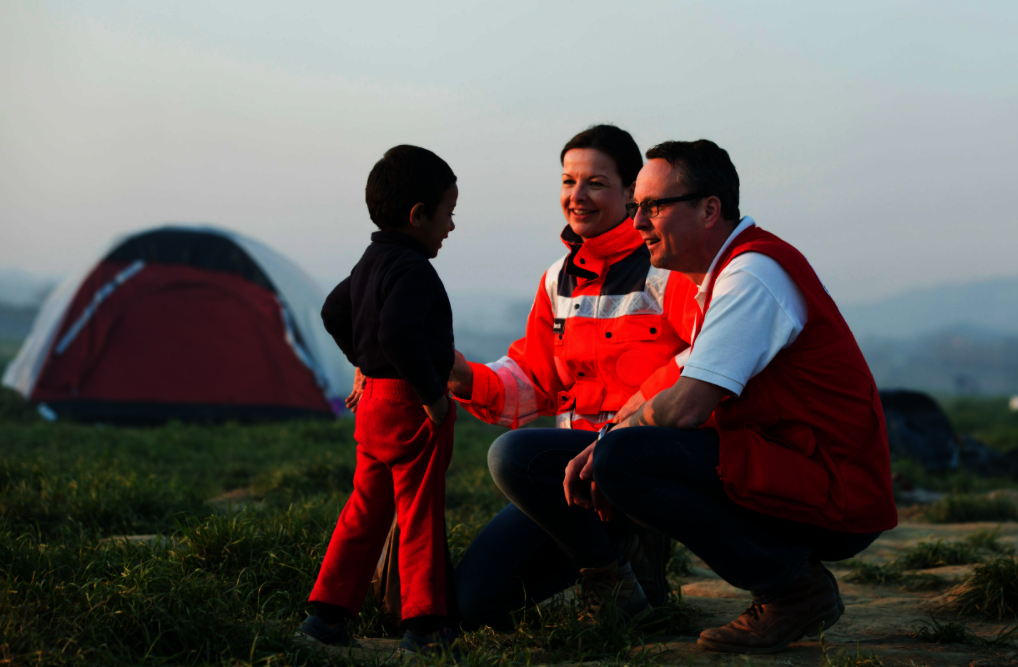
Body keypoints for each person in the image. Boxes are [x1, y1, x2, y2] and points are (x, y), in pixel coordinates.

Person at [576, 140, 898, 654]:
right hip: (786, 466)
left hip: (835, 491)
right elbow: (674, 377)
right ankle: (603, 573)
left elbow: (686, 406)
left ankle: (793, 589)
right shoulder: (719, 279)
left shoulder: (752, 274)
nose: (636, 222)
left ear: (709, 210)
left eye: (653, 206)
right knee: (538, 455)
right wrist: (610, 432)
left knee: (624, 460)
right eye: (635, 206)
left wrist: (613, 443)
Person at [448, 125, 699, 629]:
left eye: (596, 183)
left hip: (639, 462)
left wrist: (626, 430)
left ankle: (622, 562)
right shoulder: (555, 280)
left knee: (511, 455)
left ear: (631, 193)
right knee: (471, 605)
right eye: (568, 181)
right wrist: (458, 374)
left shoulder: (667, 271)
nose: (577, 196)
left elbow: (704, 361)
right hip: (568, 480)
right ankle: (617, 563)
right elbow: (533, 378)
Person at [298, 145, 461, 657]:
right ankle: (424, 627)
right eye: (448, 213)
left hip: (372, 406)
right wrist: (432, 395)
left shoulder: (370, 262)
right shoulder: (414, 270)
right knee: (419, 513)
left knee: (365, 509)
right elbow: (397, 333)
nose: (451, 226)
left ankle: (326, 615)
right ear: (418, 215)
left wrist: (363, 364)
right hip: (411, 405)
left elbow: (333, 311)